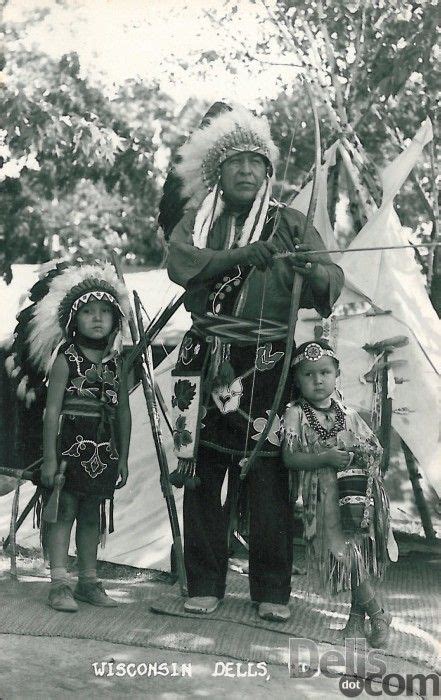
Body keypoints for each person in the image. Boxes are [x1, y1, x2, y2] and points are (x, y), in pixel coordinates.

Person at [163, 104, 344, 621]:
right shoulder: (198, 223)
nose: (246, 171)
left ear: (268, 171)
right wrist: (244, 256)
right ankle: (203, 583)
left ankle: (271, 592)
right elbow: (182, 267)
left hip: (268, 362)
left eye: (255, 162)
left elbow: (329, 281)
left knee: (269, 477)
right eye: (235, 162)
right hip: (207, 359)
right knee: (200, 473)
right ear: (218, 171)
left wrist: (309, 268)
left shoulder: (289, 223)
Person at [26, 263, 132, 612]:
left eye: (104, 311)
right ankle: (59, 582)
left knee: (92, 513)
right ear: (74, 319)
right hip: (69, 450)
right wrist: (51, 458)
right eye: (88, 311)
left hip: (104, 452)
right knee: (64, 511)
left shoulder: (118, 363)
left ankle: (88, 581)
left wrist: (125, 456)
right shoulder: (66, 359)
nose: (97, 318)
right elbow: (52, 411)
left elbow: (123, 413)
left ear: (116, 319)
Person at [282, 340, 394, 647]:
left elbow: (375, 450)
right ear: (297, 380)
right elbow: (290, 458)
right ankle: (378, 612)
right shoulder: (295, 414)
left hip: (354, 494)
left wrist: (355, 450)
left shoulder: (348, 413)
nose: (318, 380)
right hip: (321, 499)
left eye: (325, 372)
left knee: (355, 551)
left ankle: (360, 620)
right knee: (343, 555)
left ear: (337, 374)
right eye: (308, 374)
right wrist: (325, 458)